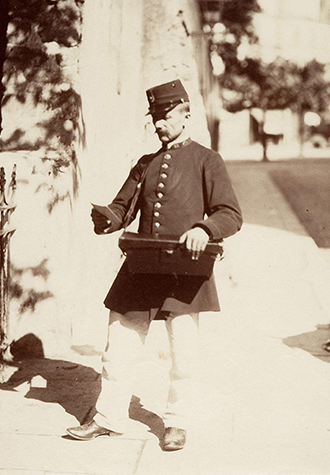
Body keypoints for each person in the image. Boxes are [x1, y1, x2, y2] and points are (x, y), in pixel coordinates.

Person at [67, 79, 242, 451]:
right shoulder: (145, 164)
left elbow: (230, 214)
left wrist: (204, 229)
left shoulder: (207, 160)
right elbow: (122, 208)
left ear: (186, 115)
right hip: (142, 267)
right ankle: (109, 418)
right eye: (155, 118)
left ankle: (177, 422)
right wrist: (107, 218)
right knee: (119, 347)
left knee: (184, 353)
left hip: (184, 270)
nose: (159, 124)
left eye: (166, 116)